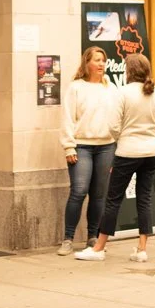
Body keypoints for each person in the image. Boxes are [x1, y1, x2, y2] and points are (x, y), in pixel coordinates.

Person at [76, 53, 155, 263]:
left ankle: (99, 248)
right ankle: (142, 249)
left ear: (129, 71)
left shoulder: (122, 93)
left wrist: (125, 136)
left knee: (113, 200)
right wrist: (150, 134)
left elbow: (113, 126)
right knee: (144, 199)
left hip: (127, 152)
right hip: (151, 152)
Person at [58, 47, 120, 255]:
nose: (102, 64)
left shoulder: (110, 88)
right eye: (97, 60)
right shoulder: (75, 88)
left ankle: (93, 237)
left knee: (99, 195)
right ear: (87, 64)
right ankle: (67, 239)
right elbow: (67, 118)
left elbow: (117, 118)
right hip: (81, 146)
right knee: (78, 191)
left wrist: (117, 145)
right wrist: (69, 146)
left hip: (106, 147)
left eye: (104, 60)